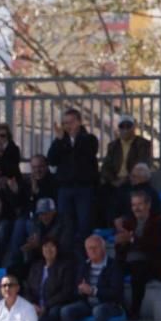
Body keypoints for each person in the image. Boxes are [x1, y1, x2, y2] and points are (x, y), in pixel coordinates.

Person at [47, 108, 99, 256]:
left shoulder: (89, 139)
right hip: (65, 188)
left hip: (83, 188)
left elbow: (81, 153)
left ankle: (85, 256)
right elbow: (52, 160)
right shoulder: (61, 140)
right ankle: (67, 257)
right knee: (65, 225)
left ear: (79, 122)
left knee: (84, 225)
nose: (67, 126)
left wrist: (65, 141)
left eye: (70, 122)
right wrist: (59, 140)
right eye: (64, 123)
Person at [60, 235, 125, 321]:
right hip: (88, 303)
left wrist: (93, 291)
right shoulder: (83, 266)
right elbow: (75, 290)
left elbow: (116, 293)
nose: (92, 250)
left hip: (110, 304)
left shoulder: (114, 265)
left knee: (98, 311)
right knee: (66, 311)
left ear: (103, 248)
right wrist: (80, 291)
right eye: (89, 248)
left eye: (95, 247)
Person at [114, 190, 161, 320]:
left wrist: (132, 239)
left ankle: (135, 312)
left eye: (139, 204)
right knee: (113, 269)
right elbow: (120, 250)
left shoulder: (159, 222)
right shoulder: (128, 222)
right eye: (133, 205)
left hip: (151, 263)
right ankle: (119, 306)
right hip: (129, 261)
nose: (136, 208)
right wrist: (121, 242)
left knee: (138, 270)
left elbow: (155, 247)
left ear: (148, 205)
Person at [25, 237, 76, 321]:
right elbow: (28, 289)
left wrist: (46, 306)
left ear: (57, 249)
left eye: (52, 246)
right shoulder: (36, 267)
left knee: (54, 313)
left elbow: (66, 292)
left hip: (55, 304)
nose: (49, 249)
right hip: (37, 305)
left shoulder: (65, 266)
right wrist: (32, 304)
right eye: (45, 246)